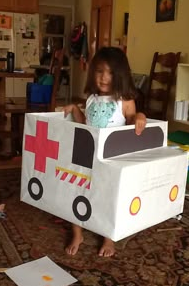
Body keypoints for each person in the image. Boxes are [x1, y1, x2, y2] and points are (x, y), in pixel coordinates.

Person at [63, 46, 147, 257]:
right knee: (77, 190)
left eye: (110, 72)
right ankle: (77, 233)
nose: (104, 77)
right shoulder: (91, 99)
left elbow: (133, 121)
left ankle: (108, 238)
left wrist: (140, 117)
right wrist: (75, 110)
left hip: (111, 160)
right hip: (87, 156)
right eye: (99, 71)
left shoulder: (124, 100)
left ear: (120, 75)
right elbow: (86, 123)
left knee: (108, 198)